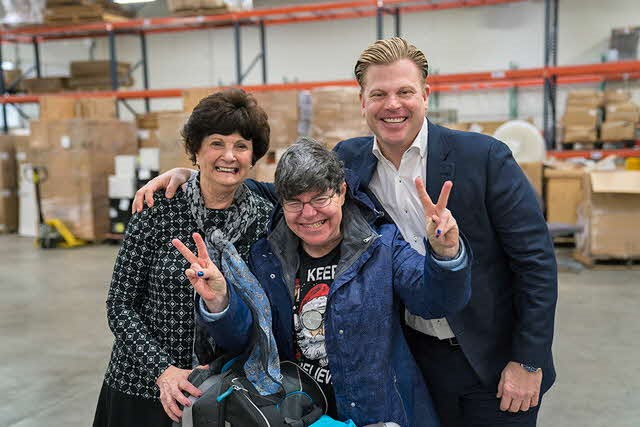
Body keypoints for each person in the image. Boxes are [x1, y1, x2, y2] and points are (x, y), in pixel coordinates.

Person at [133, 37, 558, 426]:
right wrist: (203, 173)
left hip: (491, 355)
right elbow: (293, 191)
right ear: (363, 101)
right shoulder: (351, 160)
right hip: (419, 354)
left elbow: (536, 262)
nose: (393, 104)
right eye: (379, 94)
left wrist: (528, 360)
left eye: (405, 91)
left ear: (426, 95)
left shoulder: (483, 158)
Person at [171, 139, 473, 427]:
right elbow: (248, 341)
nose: (309, 213)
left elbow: (435, 302)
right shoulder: (266, 258)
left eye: (320, 198)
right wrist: (220, 301)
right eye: (295, 203)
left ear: (341, 192)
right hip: (299, 414)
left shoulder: (382, 246)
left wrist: (446, 254)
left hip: (379, 413)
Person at [93, 88, 274, 427]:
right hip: (141, 384)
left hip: (220, 392)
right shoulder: (157, 209)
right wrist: (164, 370)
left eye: (241, 146)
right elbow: (119, 305)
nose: (229, 156)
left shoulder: (264, 219)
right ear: (196, 150)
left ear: (253, 155)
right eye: (217, 143)